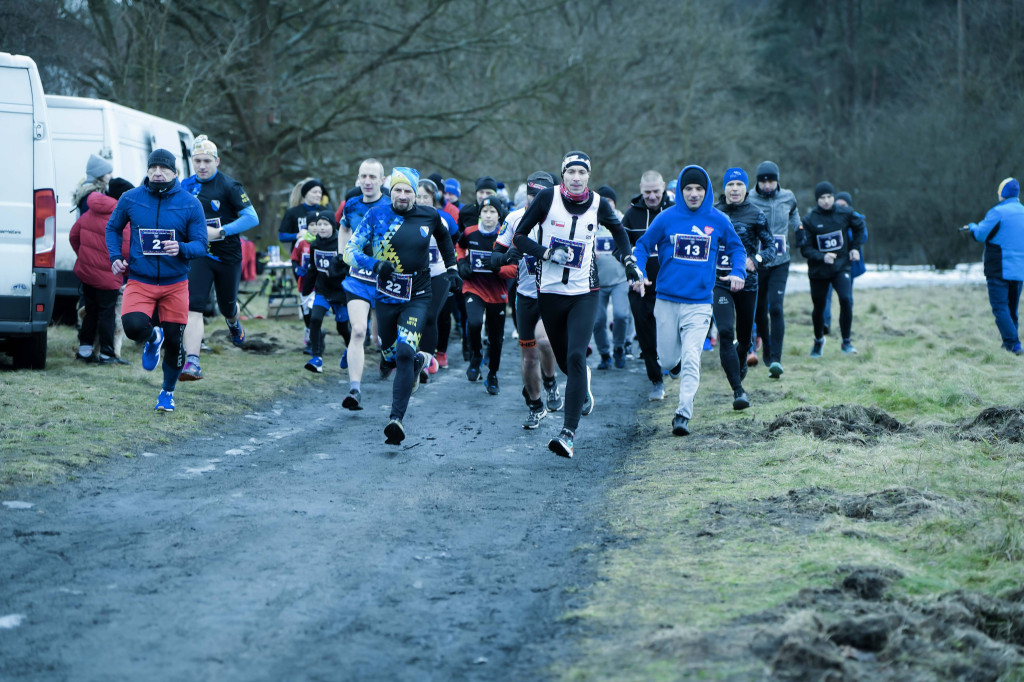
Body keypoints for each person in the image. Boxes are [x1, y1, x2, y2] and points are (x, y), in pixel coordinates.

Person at [513, 151, 641, 458]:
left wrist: (629, 260)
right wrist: (545, 253)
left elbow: (620, 231)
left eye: (581, 172)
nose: (576, 177)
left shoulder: (599, 204)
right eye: (570, 171)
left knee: (574, 356)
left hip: (585, 293)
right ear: (563, 174)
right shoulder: (546, 199)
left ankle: (567, 434)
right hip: (551, 294)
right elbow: (519, 237)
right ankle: (581, 385)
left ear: (588, 176)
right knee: (565, 361)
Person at [344, 167, 461, 444]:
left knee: (406, 351)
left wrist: (452, 268)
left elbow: (444, 239)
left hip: (418, 294)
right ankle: (412, 362)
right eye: (398, 190)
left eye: (408, 190)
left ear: (414, 194)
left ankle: (396, 419)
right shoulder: (376, 215)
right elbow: (350, 251)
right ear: (390, 191)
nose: (403, 195)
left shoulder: (429, 216)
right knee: (391, 352)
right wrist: (375, 265)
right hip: (385, 296)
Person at [632, 165, 746, 436]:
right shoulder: (666, 218)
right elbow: (642, 246)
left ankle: (683, 413)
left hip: (699, 302)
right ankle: (675, 364)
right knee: (668, 361)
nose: (694, 194)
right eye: (688, 189)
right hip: (667, 300)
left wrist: (738, 271)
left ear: (706, 191)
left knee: (693, 355)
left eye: (699, 189)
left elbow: (737, 248)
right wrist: (637, 270)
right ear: (681, 191)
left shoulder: (718, 220)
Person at [105, 149, 208, 411]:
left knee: (175, 341)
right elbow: (113, 228)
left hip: (175, 282)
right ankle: (153, 338)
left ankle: (167, 393)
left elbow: (201, 244)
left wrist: (181, 248)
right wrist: (115, 255)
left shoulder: (190, 203)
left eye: (164, 168)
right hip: (141, 279)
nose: (158, 172)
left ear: (176, 173)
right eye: (153, 168)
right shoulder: (131, 198)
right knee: (132, 327)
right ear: (148, 171)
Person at [178, 135, 260, 381]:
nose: (202, 166)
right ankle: (192, 362)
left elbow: (252, 218)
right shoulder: (185, 185)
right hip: (200, 254)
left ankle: (234, 324)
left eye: (207, 161)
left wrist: (222, 231)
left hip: (228, 256)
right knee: (194, 306)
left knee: (227, 306)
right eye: (197, 161)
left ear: (217, 161)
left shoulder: (229, 186)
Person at [492, 171, 564, 429]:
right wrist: (506, 257)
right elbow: (495, 256)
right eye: (529, 196)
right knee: (528, 357)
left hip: (553, 294)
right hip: (525, 296)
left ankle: (550, 381)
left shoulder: (562, 220)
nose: (532, 202)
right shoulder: (514, 218)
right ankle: (535, 405)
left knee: (545, 341)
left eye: (538, 197)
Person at [713, 168, 775, 409]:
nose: (735, 189)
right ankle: (738, 391)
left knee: (745, 337)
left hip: (748, 283)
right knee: (726, 334)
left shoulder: (756, 215)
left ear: (746, 188)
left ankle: (738, 367)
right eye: (731, 184)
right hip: (720, 283)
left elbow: (771, 247)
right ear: (725, 188)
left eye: (739, 184)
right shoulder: (714, 213)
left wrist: (756, 260)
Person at [338, 158, 390, 410]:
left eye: (372, 177)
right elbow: (344, 229)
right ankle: (355, 390)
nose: (367, 181)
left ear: (382, 180)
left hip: (387, 278)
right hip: (358, 277)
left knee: (386, 337)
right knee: (358, 330)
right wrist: (341, 255)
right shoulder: (351, 204)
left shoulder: (391, 204)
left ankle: (388, 356)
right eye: (363, 177)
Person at [622, 170, 675, 400]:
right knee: (646, 335)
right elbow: (620, 246)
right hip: (640, 286)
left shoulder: (676, 212)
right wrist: (632, 272)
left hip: (671, 285)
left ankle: (675, 362)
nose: (652, 196)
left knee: (670, 332)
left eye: (656, 191)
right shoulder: (632, 214)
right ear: (641, 190)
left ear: (663, 189)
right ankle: (656, 381)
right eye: (647, 192)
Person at [70, 177, 134, 365]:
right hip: (109, 276)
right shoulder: (122, 219)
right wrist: (128, 272)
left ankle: (85, 350)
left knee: (90, 311)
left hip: (87, 274)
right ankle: (107, 353)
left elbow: (74, 235)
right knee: (107, 314)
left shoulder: (91, 210)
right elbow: (127, 251)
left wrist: (84, 258)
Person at [457, 195, 516, 393]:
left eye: (492, 212)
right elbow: (460, 247)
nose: (488, 216)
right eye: (485, 212)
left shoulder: (506, 236)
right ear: (480, 214)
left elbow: (515, 269)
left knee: (496, 338)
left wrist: (498, 269)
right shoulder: (470, 232)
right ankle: (475, 355)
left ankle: (492, 374)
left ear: (499, 215)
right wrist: (462, 263)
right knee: (474, 322)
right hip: (473, 287)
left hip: (497, 292)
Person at [800, 181, 867, 357]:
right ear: (817, 200)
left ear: (833, 197)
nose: (826, 201)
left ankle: (846, 342)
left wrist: (854, 247)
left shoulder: (844, 213)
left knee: (846, 300)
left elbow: (860, 227)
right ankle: (818, 340)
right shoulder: (809, 220)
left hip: (841, 266)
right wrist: (823, 256)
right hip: (819, 271)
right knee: (819, 307)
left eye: (829, 197)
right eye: (822, 198)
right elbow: (804, 249)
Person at [747, 160, 801, 378]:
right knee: (759, 310)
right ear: (757, 182)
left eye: (771, 181)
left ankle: (775, 359)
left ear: (777, 181)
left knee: (776, 308)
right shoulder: (748, 198)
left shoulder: (788, 196)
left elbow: (794, 214)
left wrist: (799, 230)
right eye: (763, 181)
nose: (767, 185)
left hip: (780, 261)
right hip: (757, 262)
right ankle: (766, 346)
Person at [961, 177, 1024, 354]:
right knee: (1011, 309)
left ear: (1002, 194)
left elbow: (981, 234)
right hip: (1019, 271)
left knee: (1000, 307)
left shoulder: (998, 212)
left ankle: (1013, 344)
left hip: (999, 270)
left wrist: (972, 227)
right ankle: (1008, 345)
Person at [296, 210, 349, 372]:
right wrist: (305, 291)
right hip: (323, 290)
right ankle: (316, 358)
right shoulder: (315, 245)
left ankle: (350, 350)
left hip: (341, 292)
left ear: (333, 226)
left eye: (326, 224)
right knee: (315, 319)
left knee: (342, 327)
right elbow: (312, 269)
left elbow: (348, 268)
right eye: (319, 224)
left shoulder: (340, 243)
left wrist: (333, 271)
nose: (322, 227)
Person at [416, 178, 459, 375]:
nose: (422, 200)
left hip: (439, 273)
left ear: (434, 198)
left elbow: (455, 238)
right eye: (418, 197)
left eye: (425, 197)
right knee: (415, 316)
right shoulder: (407, 218)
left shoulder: (443, 218)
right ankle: (413, 355)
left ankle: (427, 359)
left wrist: (452, 267)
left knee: (431, 315)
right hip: (415, 275)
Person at [591, 184, 631, 370]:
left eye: (610, 201)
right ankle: (605, 354)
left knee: (621, 315)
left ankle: (619, 349)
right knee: (598, 320)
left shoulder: (622, 220)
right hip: (597, 281)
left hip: (619, 279)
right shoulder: (590, 221)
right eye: (603, 201)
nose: (607, 204)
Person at [822, 191, 868, 334]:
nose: (841, 208)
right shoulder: (828, 218)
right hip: (829, 264)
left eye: (844, 205)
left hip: (848, 266)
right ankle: (825, 324)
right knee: (826, 295)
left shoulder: (856, 219)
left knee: (846, 297)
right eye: (838, 205)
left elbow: (863, 237)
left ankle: (846, 326)